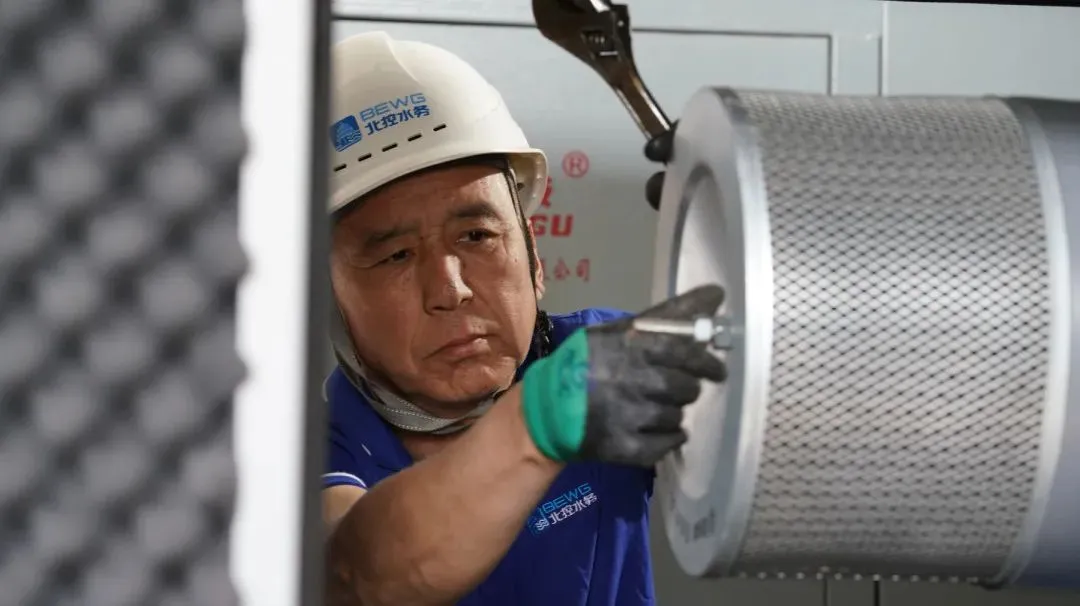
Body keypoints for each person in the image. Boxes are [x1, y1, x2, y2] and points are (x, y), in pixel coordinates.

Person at [322, 31, 725, 606]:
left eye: (476, 236)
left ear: (534, 257)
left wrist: (729, 226)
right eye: (396, 256)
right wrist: (538, 424)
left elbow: (801, 418)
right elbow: (356, 574)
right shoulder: (310, 449)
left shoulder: (598, 362)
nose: (451, 290)